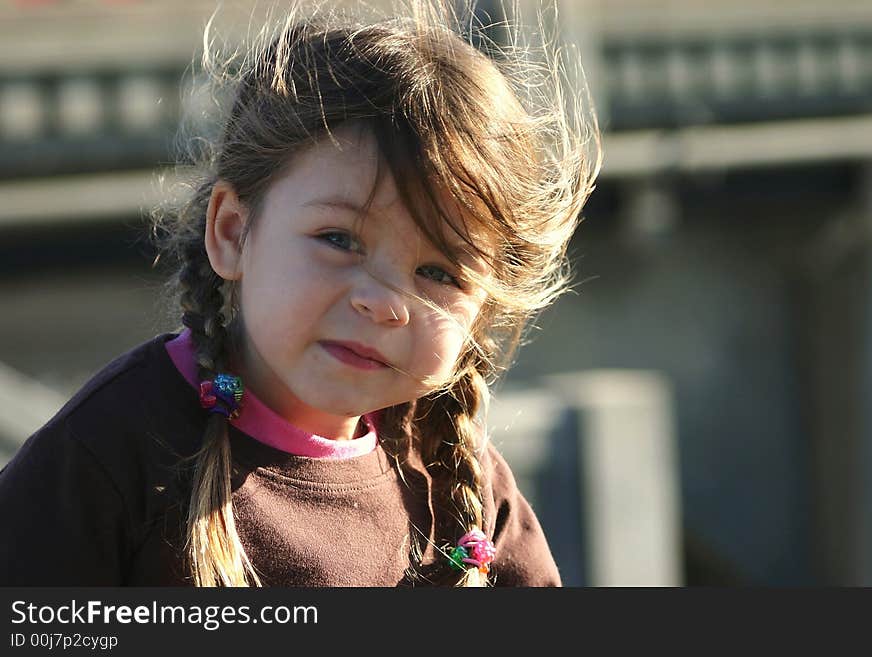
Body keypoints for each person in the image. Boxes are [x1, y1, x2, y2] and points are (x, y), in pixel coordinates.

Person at [0, 0, 600, 586]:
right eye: (339, 238)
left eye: (439, 274)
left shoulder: (458, 481)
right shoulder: (114, 452)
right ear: (233, 232)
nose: (385, 303)